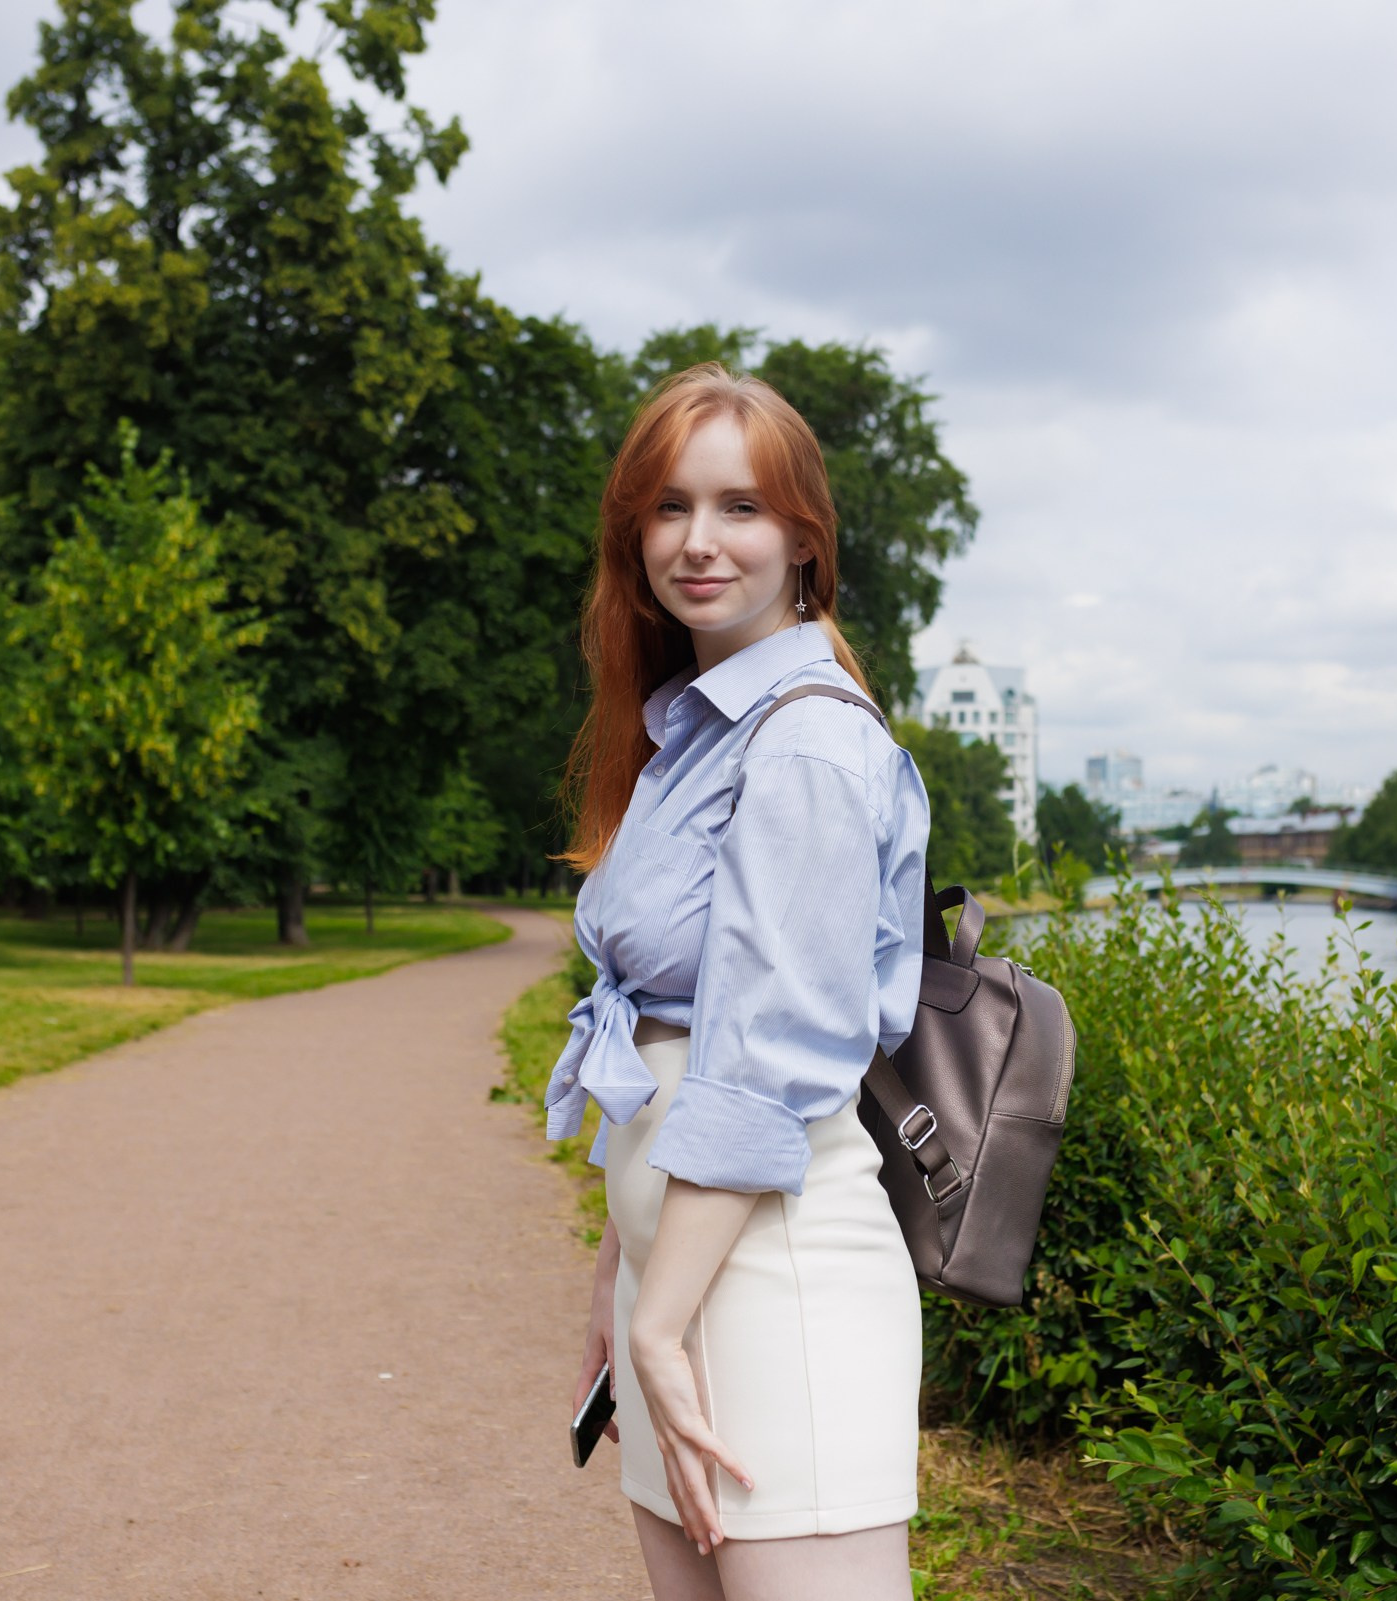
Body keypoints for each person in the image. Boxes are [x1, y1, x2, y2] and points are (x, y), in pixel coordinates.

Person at [550, 363, 931, 1600]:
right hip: (678, 1273)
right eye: (668, 507)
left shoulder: (808, 738)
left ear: (805, 539)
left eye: (740, 508)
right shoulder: (688, 730)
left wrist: (660, 1316)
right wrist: (624, 1282)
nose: (698, 542)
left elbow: (762, 1061)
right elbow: (669, 1038)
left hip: (778, 1273)